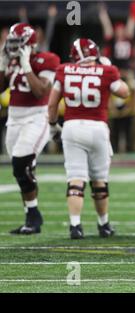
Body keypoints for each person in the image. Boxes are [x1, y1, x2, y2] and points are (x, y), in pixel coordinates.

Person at [47, 38, 129, 239]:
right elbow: (124, 93)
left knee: (76, 178)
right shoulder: (107, 71)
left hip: (72, 127)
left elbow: (52, 104)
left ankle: (75, 225)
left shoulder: (64, 70)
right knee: (99, 179)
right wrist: (109, 69)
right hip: (97, 128)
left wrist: (52, 125)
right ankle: (104, 224)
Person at [0, 23, 60, 234]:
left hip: (36, 117)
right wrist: (2, 65)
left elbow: (41, 91)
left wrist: (26, 66)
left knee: (21, 162)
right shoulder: (12, 61)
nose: (13, 46)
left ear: (30, 44)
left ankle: (34, 216)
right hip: (14, 119)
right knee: (22, 170)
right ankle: (31, 217)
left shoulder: (47, 59)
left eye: (18, 42)